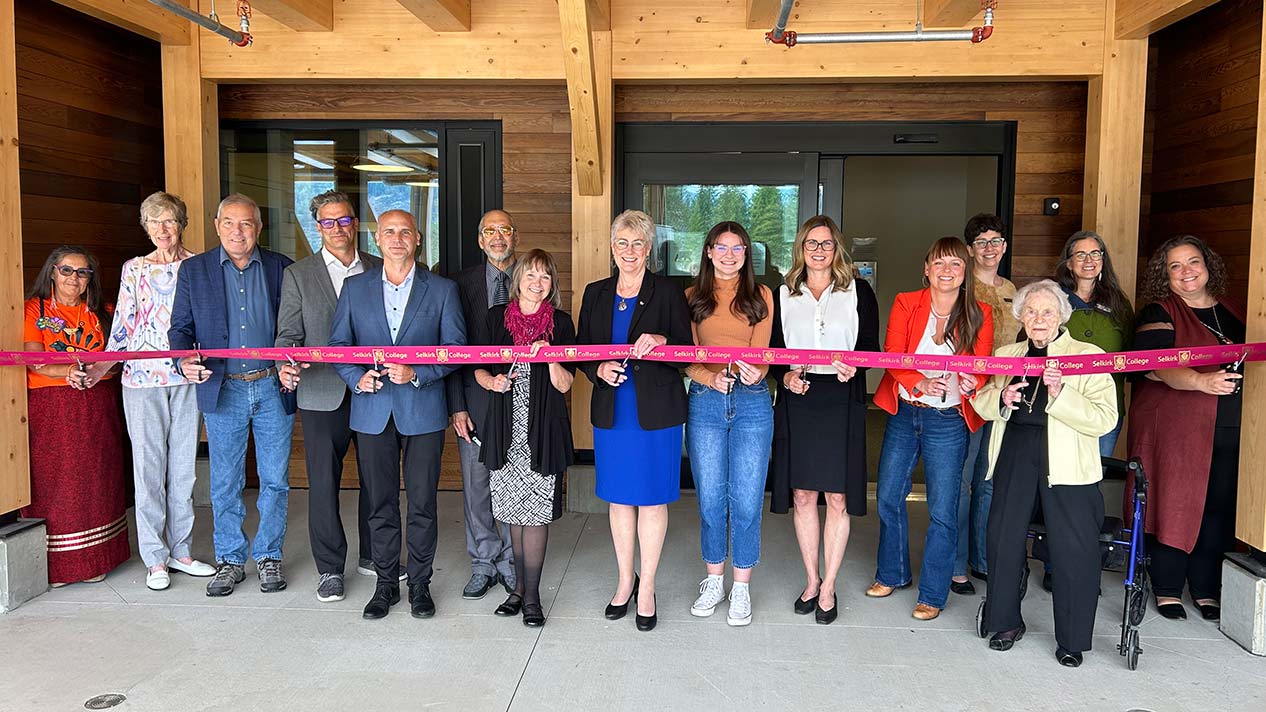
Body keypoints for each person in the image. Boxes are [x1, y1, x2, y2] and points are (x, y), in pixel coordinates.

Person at [328, 209, 466, 620]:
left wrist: (418, 373)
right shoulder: (354, 289)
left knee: (423, 502)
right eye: (389, 231)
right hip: (372, 411)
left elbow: (455, 349)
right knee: (380, 504)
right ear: (377, 238)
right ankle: (386, 583)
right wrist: (356, 378)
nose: (397, 238)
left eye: (405, 232)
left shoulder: (442, 290)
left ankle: (420, 585)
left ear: (418, 239)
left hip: (422, 410)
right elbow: (338, 345)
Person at [973, 279, 1117, 667]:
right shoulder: (1008, 353)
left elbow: (1105, 419)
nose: (1039, 319)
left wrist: (1061, 395)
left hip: (1068, 463)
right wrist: (1000, 399)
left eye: (1047, 311)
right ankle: (1004, 622)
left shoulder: (1088, 355)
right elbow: (981, 401)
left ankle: (1071, 639)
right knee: (1002, 539)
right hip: (1016, 453)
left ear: (1061, 316)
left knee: (1074, 549)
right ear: (1020, 316)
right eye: (1031, 312)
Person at [169, 193, 296, 597]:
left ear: (258, 228)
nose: (237, 231)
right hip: (222, 389)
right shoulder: (195, 270)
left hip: (273, 386)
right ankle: (230, 559)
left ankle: (269, 555)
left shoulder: (281, 268)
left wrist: (291, 360)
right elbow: (180, 330)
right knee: (225, 481)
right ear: (216, 225)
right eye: (229, 223)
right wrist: (182, 362)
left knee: (275, 480)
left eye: (246, 224)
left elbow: (295, 327)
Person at [577, 209, 692, 633]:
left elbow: (685, 346)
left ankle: (649, 588)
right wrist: (598, 370)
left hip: (656, 411)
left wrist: (663, 340)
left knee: (652, 499)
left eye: (638, 243)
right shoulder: (596, 293)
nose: (630, 251)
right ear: (612, 248)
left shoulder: (668, 291)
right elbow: (583, 349)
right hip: (612, 408)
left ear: (650, 249)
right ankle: (626, 581)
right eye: (622, 243)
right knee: (620, 498)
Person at [870, 236, 993, 621]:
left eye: (955, 264)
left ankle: (933, 593)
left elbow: (984, 365)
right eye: (939, 263)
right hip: (907, 412)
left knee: (943, 509)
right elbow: (892, 355)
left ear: (965, 272)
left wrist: (976, 381)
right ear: (926, 269)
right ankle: (893, 572)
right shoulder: (908, 302)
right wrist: (919, 382)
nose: (946, 271)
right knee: (889, 495)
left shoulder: (981, 312)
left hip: (950, 420)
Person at [769, 216, 880, 625]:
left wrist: (856, 366)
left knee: (836, 497)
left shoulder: (858, 291)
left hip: (841, 396)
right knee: (802, 495)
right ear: (801, 247)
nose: (819, 250)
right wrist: (786, 376)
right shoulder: (784, 293)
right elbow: (775, 349)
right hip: (800, 398)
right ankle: (811, 579)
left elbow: (870, 345)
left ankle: (830, 585)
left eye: (827, 243)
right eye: (811, 243)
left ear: (837, 249)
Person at [1129, 235, 1245, 622]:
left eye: (1193, 262)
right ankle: (1166, 587)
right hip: (1175, 428)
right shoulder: (1158, 312)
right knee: (1174, 501)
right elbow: (1158, 365)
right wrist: (1201, 382)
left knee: (1217, 505)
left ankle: (1206, 588)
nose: (1186, 272)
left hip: (1228, 424)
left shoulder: (1235, 310)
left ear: (1207, 264)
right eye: (1175, 266)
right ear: (1166, 275)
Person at [275, 190, 383, 603]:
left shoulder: (378, 267)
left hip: (373, 390)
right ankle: (330, 569)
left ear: (356, 223)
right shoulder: (298, 275)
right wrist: (286, 364)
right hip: (321, 393)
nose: (338, 228)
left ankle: (375, 556)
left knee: (379, 477)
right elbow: (287, 336)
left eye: (345, 220)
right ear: (316, 226)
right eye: (328, 221)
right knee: (323, 483)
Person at [105, 192, 214, 591]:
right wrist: (101, 364)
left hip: (186, 377)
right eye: (154, 222)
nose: (162, 229)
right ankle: (155, 558)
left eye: (169, 221)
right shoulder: (133, 269)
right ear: (145, 227)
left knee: (183, 468)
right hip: (141, 379)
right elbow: (123, 323)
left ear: (181, 224)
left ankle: (182, 551)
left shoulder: (199, 265)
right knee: (148, 468)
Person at [474, 249, 575, 628]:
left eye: (545, 277)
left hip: (541, 431)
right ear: (517, 281)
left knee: (534, 516)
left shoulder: (561, 324)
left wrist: (550, 358)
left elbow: (566, 383)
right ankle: (517, 589)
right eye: (530, 275)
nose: (537, 283)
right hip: (505, 428)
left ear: (552, 285)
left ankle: (531, 597)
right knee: (513, 513)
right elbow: (477, 368)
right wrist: (493, 382)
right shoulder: (494, 319)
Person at [683, 221, 775, 627]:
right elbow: (685, 355)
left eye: (738, 249)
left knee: (748, 499)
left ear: (746, 254)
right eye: (722, 247)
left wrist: (759, 370)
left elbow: (764, 351)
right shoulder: (689, 297)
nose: (729, 255)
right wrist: (708, 377)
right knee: (710, 499)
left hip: (752, 402)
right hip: (705, 401)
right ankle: (714, 580)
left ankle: (741, 587)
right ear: (708, 251)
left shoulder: (762, 295)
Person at [22, 246, 129, 586]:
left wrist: (94, 373)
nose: (74, 278)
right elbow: (34, 360)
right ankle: (60, 567)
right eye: (67, 270)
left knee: (98, 479)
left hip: (96, 404)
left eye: (83, 273)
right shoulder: (31, 310)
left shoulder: (103, 312)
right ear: (52, 272)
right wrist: (69, 371)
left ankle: (98, 560)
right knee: (57, 483)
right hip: (50, 407)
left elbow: (119, 358)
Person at [445, 209, 518, 600]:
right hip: (473, 400)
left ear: (514, 236)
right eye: (489, 230)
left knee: (510, 485)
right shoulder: (459, 285)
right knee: (476, 486)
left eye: (504, 230)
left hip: (519, 400)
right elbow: (454, 349)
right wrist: (457, 406)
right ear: (480, 239)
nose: (497, 237)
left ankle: (511, 563)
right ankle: (483, 562)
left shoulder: (532, 277)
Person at [952, 214, 1020, 596]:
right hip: (966, 396)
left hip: (1002, 398)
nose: (990, 248)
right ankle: (957, 563)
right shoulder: (959, 286)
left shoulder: (1012, 289)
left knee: (989, 483)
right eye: (982, 242)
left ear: (1005, 247)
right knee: (961, 483)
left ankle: (982, 558)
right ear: (969, 249)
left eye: (996, 241)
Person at [1054, 230, 1133, 457]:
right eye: (1080, 255)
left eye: (1095, 254)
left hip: (1105, 406)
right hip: (1061, 403)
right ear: (1069, 263)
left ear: (1102, 260)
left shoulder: (1119, 302)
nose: (1089, 261)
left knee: (1095, 475)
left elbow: (1129, 350)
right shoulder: (1053, 298)